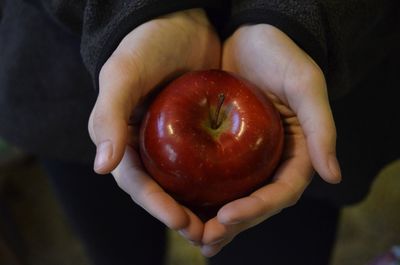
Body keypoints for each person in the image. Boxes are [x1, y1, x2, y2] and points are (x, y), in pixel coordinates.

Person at [1, 0, 399, 264]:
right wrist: (132, 9)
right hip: (69, 69)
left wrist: (298, 15)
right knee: (117, 247)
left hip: (305, 84)